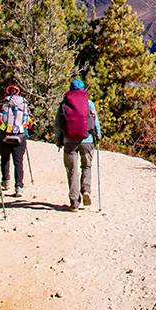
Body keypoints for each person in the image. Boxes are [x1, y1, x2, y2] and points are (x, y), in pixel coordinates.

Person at [54, 79, 102, 211]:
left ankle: (74, 202)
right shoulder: (89, 103)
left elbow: (58, 124)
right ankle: (86, 190)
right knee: (86, 166)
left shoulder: (64, 103)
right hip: (87, 140)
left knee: (72, 171)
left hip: (69, 141)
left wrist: (58, 139)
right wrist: (98, 136)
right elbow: (95, 122)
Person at [0, 84, 34, 197]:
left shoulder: (3, 104)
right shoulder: (24, 104)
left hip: (5, 135)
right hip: (20, 137)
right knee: (18, 162)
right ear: (18, 93)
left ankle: (6, 181)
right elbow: (30, 122)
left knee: (5, 159)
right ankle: (19, 186)